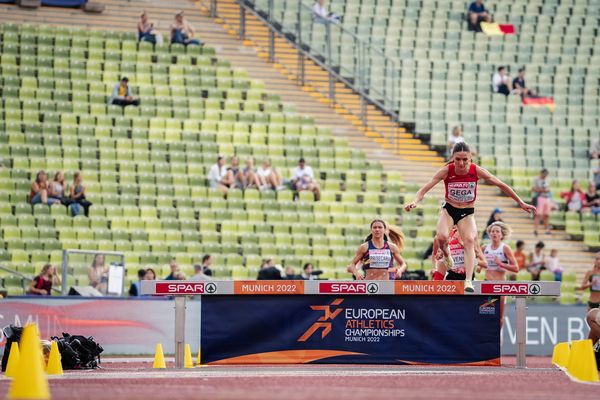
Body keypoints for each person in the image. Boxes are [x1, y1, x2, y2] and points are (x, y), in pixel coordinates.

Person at [404, 142, 535, 292]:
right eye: (457, 159)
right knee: (441, 237)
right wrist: (414, 202)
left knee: (470, 240)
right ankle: (447, 255)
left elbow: (501, 185)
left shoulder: (476, 171)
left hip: (467, 212)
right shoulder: (447, 171)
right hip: (449, 209)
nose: (461, 163)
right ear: (452, 158)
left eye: (464, 159)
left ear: (470, 158)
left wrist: (521, 202)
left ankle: (468, 281)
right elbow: (424, 189)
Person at [532, 168, 552, 235]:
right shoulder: (536, 179)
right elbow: (533, 189)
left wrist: (546, 190)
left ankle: (547, 230)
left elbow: (549, 189)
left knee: (547, 215)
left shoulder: (547, 180)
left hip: (547, 198)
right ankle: (535, 229)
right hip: (540, 197)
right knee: (538, 214)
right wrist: (542, 190)